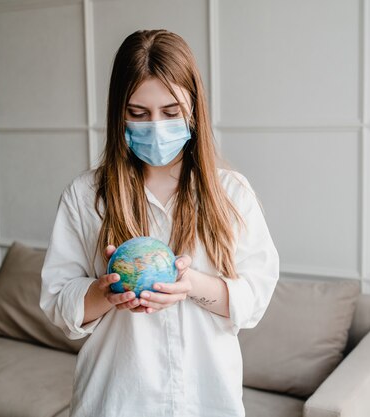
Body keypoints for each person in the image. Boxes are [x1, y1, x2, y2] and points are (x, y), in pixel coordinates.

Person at [39, 29, 280, 417]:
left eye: (171, 113)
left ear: (194, 110)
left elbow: (254, 297)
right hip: (115, 400)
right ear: (119, 112)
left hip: (207, 400)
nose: (155, 126)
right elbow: (57, 301)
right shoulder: (86, 196)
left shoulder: (230, 194)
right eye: (138, 113)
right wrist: (106, 294)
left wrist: (190, 285)